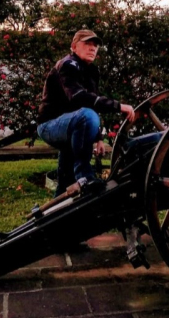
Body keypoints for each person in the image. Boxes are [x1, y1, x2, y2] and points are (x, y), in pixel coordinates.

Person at [37, 29, 135, 196]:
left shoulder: (91, 71)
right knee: (87, 115)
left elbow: (93, 102)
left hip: (72, 125)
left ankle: (58, 209)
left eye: (95, 45)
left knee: (65, 179)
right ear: (74, 47)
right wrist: (119, 106)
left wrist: (98, 138)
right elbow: (79, 98)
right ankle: (84, 176)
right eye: (88, 44)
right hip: (50, 125)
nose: (93, 48)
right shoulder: (67, 65)